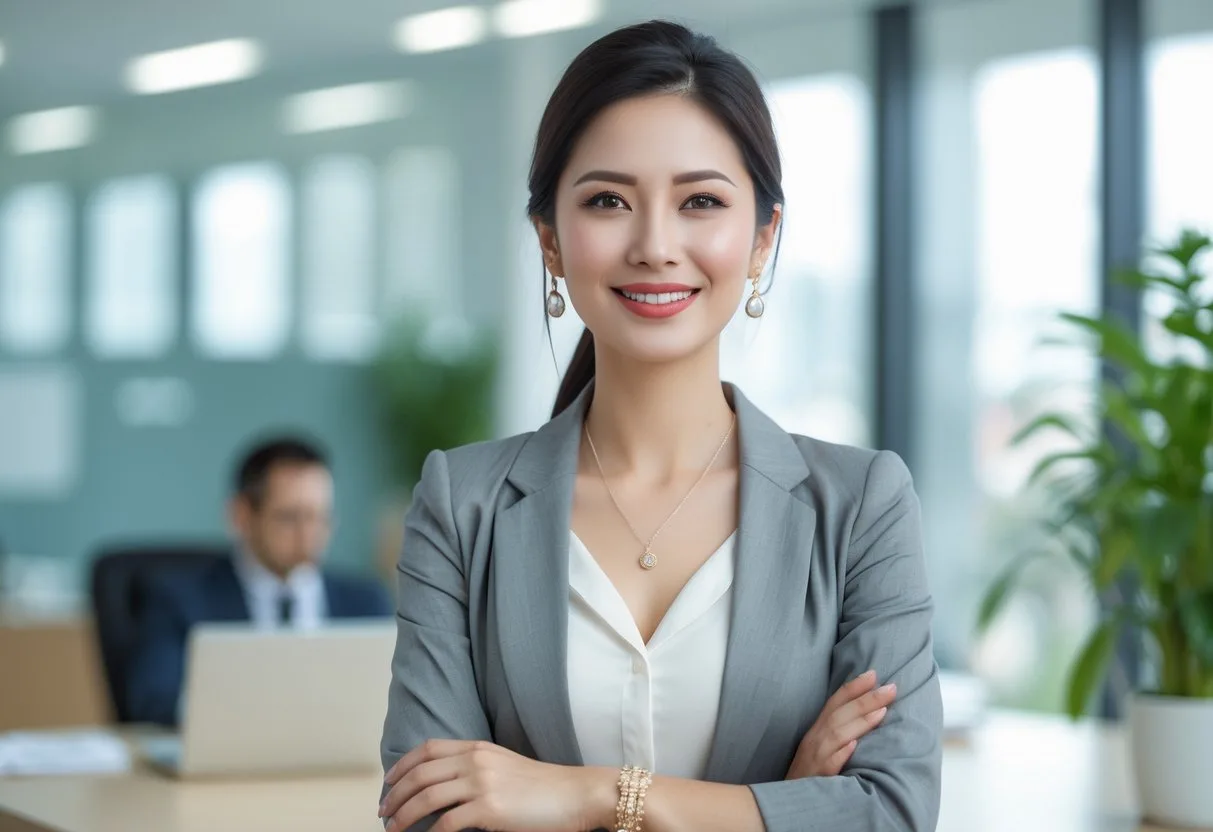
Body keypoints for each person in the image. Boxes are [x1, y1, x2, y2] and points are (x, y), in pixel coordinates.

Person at [379, 19, 941, 832]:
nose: (653, 245)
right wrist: (777, 801)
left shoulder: (861, 508)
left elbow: (890, 813)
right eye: (607, 200)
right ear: (549, 240)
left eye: (700, 202)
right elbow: (428, 814)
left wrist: (587, 795)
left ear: (761, 240)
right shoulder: (460, 505)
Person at [125, 435, 392, 727]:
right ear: (240, 515)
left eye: (320, 518)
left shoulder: (366, 602)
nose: (308, 536)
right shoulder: (179, 599)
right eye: (289, 518)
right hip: (228, 765)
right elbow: (154, 701)